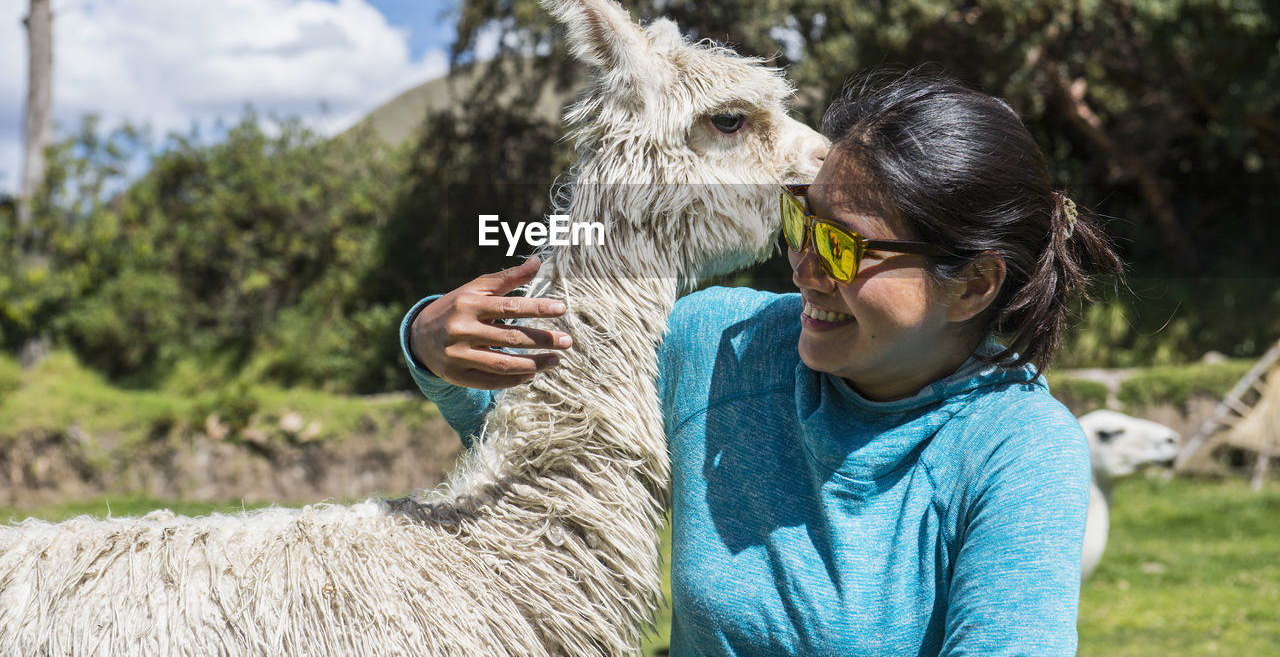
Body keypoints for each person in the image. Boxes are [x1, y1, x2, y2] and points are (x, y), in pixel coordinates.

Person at [401, 68, 1121, 656]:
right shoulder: (716, 344)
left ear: (971, 284)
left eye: (845, 248)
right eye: (800, 222)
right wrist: (429, 339)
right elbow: (542, 438)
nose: (805, 268)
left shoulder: (1018, 449)